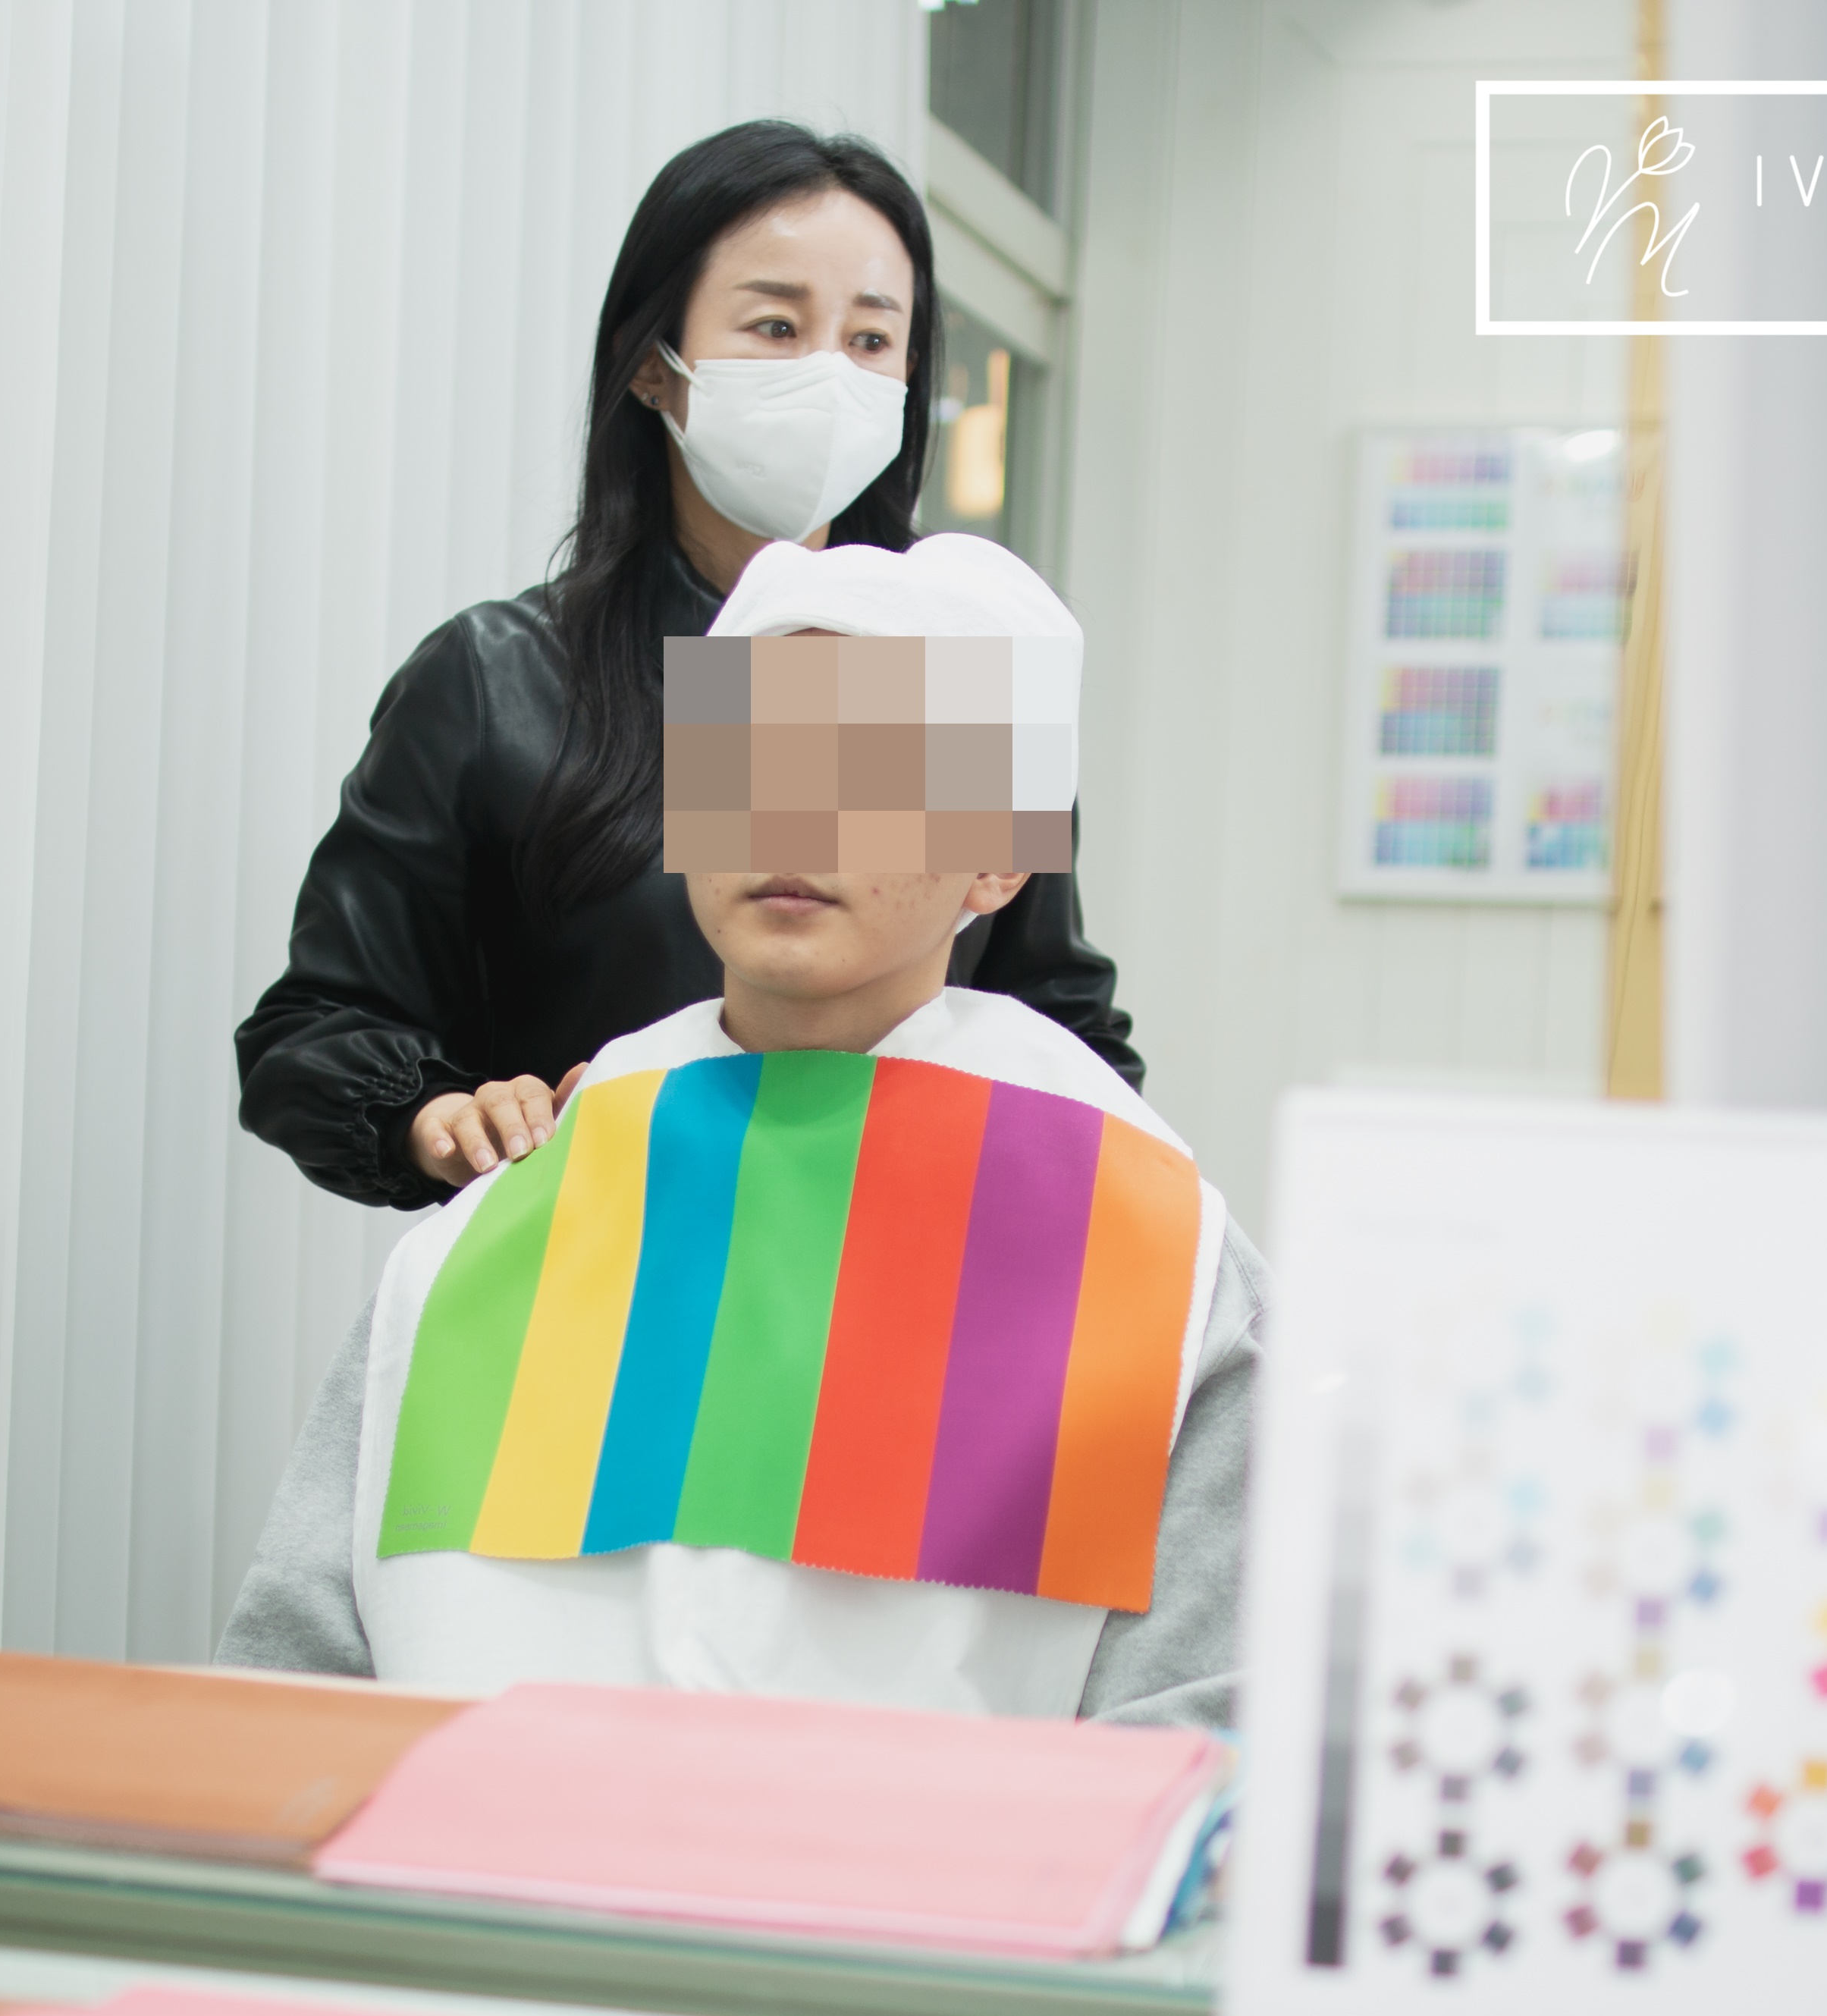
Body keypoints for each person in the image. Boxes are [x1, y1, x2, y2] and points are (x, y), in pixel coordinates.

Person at [219, 539, 1264, 1729]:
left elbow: (1199, 1735)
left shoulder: (1149, 1250)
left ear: (995, 858)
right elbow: (295, 1677)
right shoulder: (517, 1206)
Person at [235, 119, 1138, 1212]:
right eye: (775, 326)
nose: (826, 375)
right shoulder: (496, 680)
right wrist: (447, 1117)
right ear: (652, 365)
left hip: (901, 1265)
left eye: (869, 340)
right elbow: (312, 1031)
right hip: (600, 1264)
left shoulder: (973, 659)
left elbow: (1063, 1024)